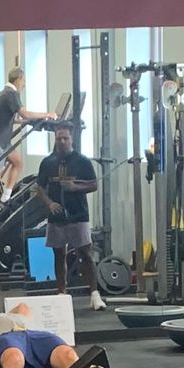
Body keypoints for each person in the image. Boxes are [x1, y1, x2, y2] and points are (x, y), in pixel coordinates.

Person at [36, 125, 104, 309]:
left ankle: (95, 295)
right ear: (55, 140)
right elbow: (39, 188)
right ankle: (61, 293)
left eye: (65, 138)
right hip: (57, 216)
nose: (62, 142)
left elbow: (93, 184)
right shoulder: (48, 163)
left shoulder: (82, 162)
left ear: (71, 139)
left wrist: (75, 188)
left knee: (86, 254)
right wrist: (50, 203)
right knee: (59, 255)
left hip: (78, 215)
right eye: (59, 139)